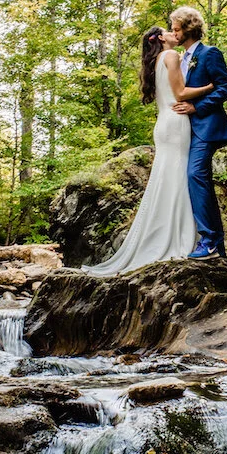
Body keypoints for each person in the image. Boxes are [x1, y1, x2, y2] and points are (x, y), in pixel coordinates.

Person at [82, 26, 216, 276]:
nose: (174, 33)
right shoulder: (172, 56)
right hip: (177, 123)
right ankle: (180, 238)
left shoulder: (156, 62)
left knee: (167, 179)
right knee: (178, 179)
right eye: (169, 31)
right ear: (160, 39)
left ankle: (169, 235)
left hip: (164, 123)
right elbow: (181, 93)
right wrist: (209, 87)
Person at [169, 6, 227, 260]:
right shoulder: (179, 58)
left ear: (188, 28)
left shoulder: (210, 54)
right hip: (183, 131)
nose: (173, 31)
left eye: (176, 27)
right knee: (192, 179)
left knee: (196, 174)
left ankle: (209, 240)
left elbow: (226, 88)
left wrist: (197, 107)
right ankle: (216, 245)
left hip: (206, 128)